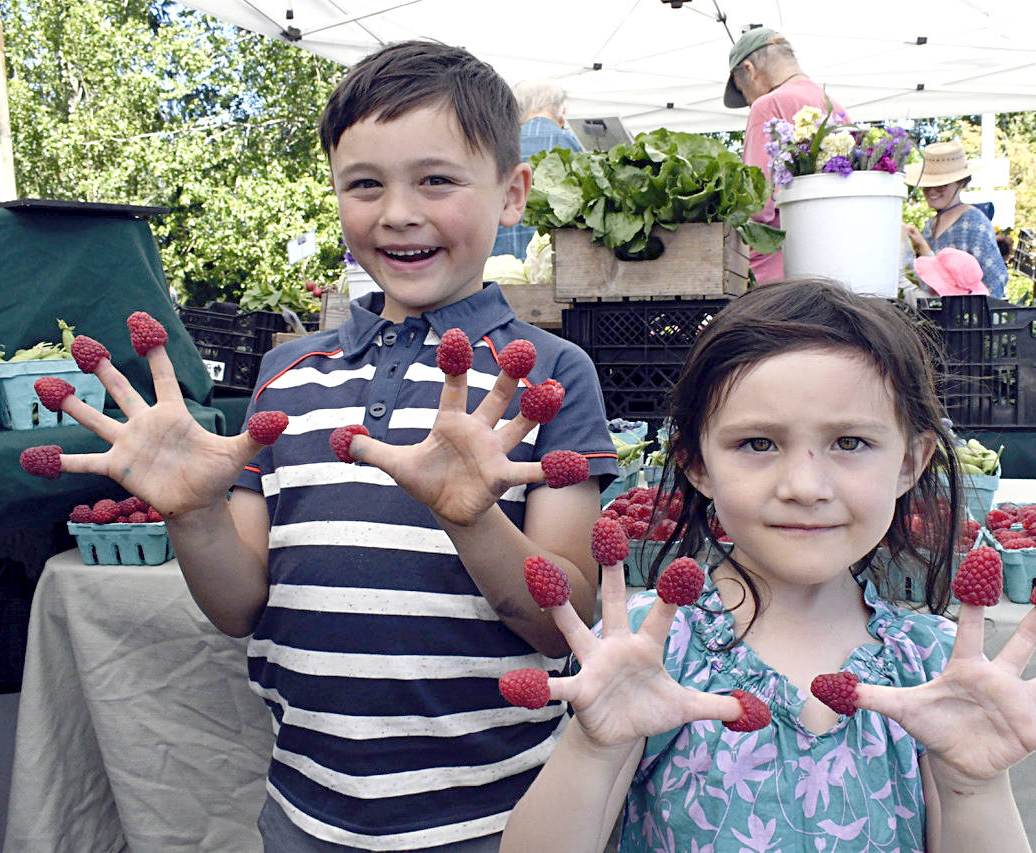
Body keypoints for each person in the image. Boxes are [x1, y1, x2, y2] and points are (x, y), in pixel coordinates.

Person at [41, 40, 618, 852]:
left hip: (500, 815)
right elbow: (237, 605)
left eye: (437, 179)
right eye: (365, 184)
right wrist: (195, 514)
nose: (399, 212)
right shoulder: (285, 375)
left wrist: (473, 518)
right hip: (307, 812)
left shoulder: (548, 378)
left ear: (513, 194)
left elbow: (567, 624)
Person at [501, 279, 1036, 852]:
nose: (804, 485)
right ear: (695, 463)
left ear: (910, 462)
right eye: (758, 443)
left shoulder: (936, 667)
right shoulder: (649, 653)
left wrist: (974, 785)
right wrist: (591, 748)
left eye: (849, 442)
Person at [724, 28, 847, 285]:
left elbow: (757, 204)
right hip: (834, 264)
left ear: (749, 69)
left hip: (782, 274)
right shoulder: (836, 109)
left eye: (744, 92)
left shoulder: (767, 105)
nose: (749, 102)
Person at [491, 79, 585, 259]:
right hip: (550, 260)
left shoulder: (498, 143)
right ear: (559, 109)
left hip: (499, 261)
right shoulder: (570, 143)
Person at [904, 141, 1009, 298]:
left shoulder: (974, 222)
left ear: (961, 182)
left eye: (941, 186)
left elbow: (996, 279)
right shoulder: (930, 225)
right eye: (927, 185)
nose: (932, 191)